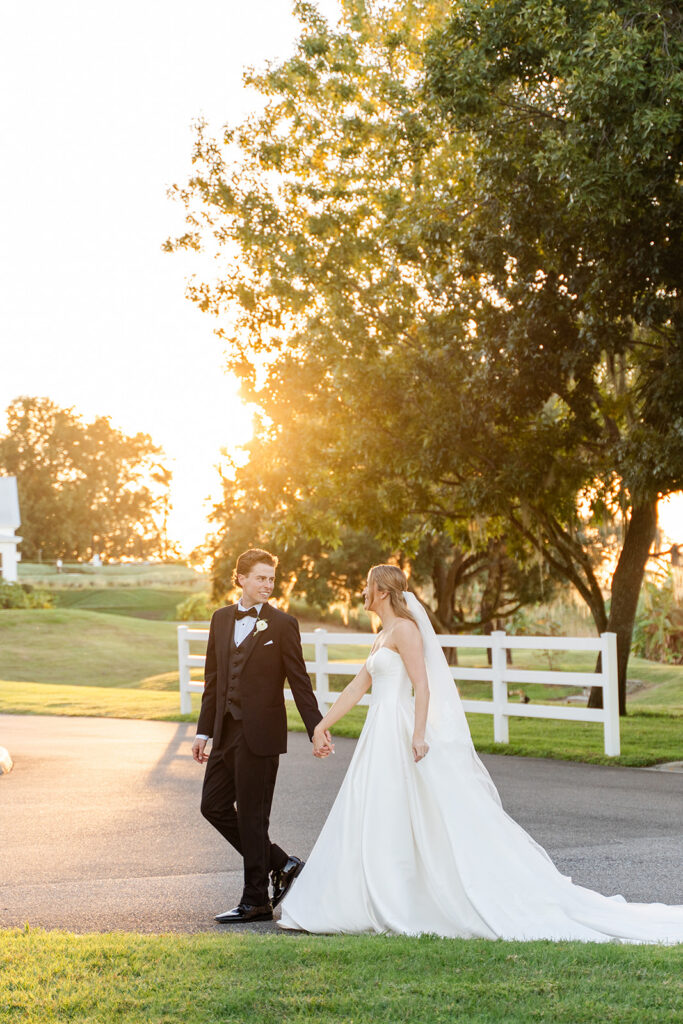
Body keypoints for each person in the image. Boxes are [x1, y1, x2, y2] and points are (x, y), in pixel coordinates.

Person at [279, 564, 683, 943]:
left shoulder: (405, 630)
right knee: (375, 810)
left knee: (409, 810)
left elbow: (422, 685)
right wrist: (322, 723)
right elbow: (356, 687)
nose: (362, 592)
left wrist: (419, 735)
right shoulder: (381, 635)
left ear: (381, 591)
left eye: (367, 586)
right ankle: (370, 892)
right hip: (376, 734)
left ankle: (405, 897)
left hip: (399, 730)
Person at [192, 548, 322, 923]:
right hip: (224, 732)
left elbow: (300, 682)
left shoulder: (282, 624)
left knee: (252, 817)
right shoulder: (220, 620)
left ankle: (256, 901)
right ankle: (281, 863)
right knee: (212, 806)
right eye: (261, 578)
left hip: (260, 735)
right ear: (242, 579)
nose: (268, 585)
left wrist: (316, 729)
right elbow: (213, 682)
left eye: (271, 579)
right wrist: (203, 732)